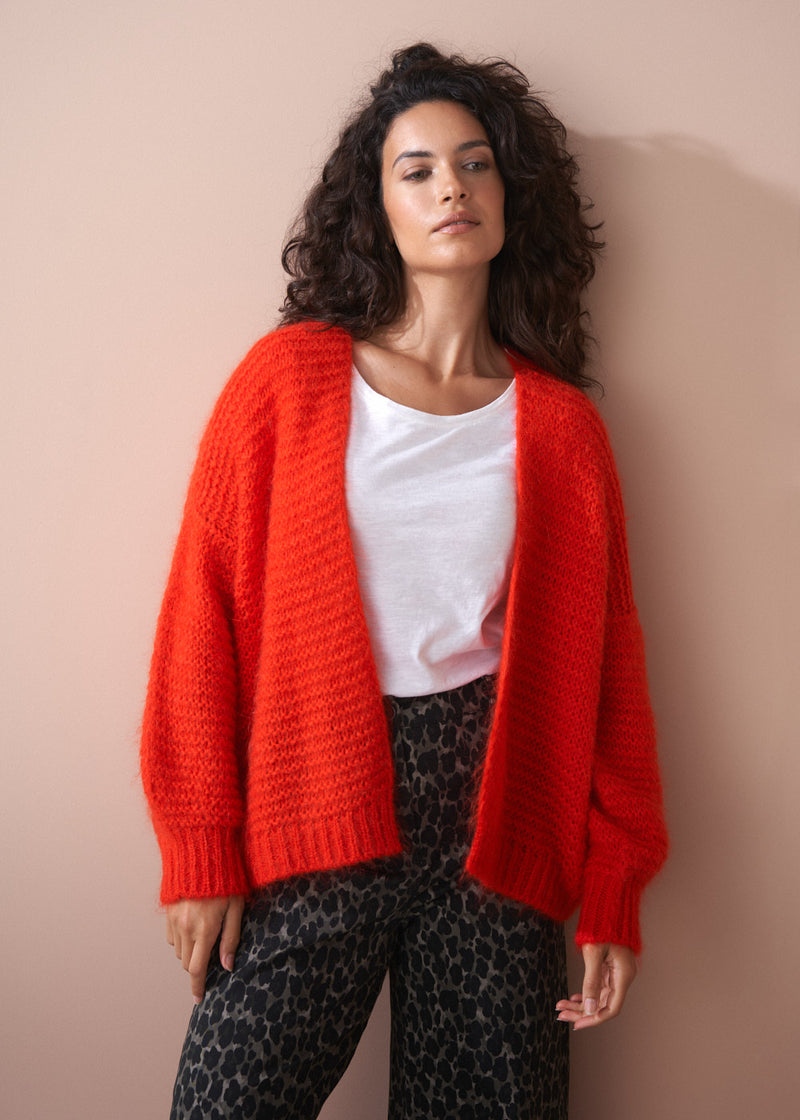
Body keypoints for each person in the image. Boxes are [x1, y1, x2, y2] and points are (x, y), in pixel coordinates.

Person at [141, 41, 668, 1120]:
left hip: (494, 822)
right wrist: (199, 844)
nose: (449, 190)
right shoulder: (287, 382)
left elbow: (605, 665)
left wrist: (611, 886)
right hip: (310, 797)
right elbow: (202, 612)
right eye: (416, 169)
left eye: (474, 165)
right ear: (375, 203)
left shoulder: (559, 428)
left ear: (509, 196)